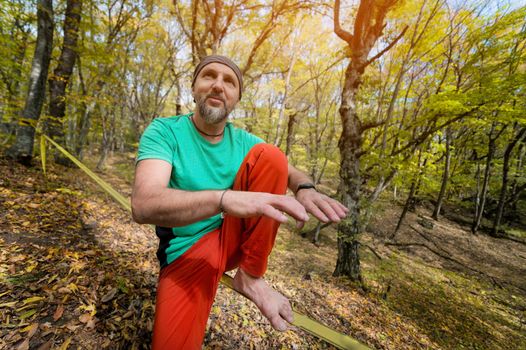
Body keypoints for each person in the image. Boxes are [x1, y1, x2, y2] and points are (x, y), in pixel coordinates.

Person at [131, 55, 348, 349]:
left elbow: (290, 170)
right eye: (209, 76)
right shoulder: (164, 131)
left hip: (233, 239)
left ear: (236, 99)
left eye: (229, 81)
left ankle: (251, 275)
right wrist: (225, 199)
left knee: (273, 157)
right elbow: (144, 204)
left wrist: (305, 188)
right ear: (194, 88)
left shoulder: (245, 141)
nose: (218, 86)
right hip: (186, 252)